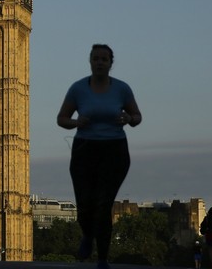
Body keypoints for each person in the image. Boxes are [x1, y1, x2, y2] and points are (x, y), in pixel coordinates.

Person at [57, 44, 142, 269]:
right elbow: (62, 118)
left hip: (114, 150)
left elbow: (137, 116)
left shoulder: (122, 89)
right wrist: (76, 122)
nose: (100, 62)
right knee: (85, 203)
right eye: (96, 58)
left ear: (110, 63)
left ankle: (103, 258)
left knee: (104, 205)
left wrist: (128, 118)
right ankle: (87, 234)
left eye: (104, 59)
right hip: (85, 149)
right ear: (90, 61)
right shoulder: (78, 89)